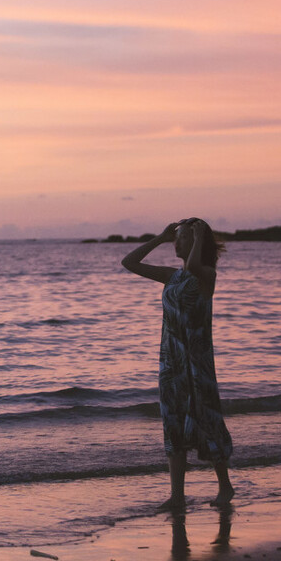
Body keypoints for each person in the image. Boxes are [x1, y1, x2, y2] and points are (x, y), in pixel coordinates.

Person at [121, 218, 235, 509]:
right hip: (171, 363)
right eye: (178, 237)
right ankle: (177, 496)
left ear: (197, 242)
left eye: (182, 238)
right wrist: (159, 238)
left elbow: (196, 267)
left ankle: (225, 486)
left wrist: (198, 237)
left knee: (206, 420)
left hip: (197, 364)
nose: (177, 242)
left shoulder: (206, 275)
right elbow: (129, 262)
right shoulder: (172, 277)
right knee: (172, 424)